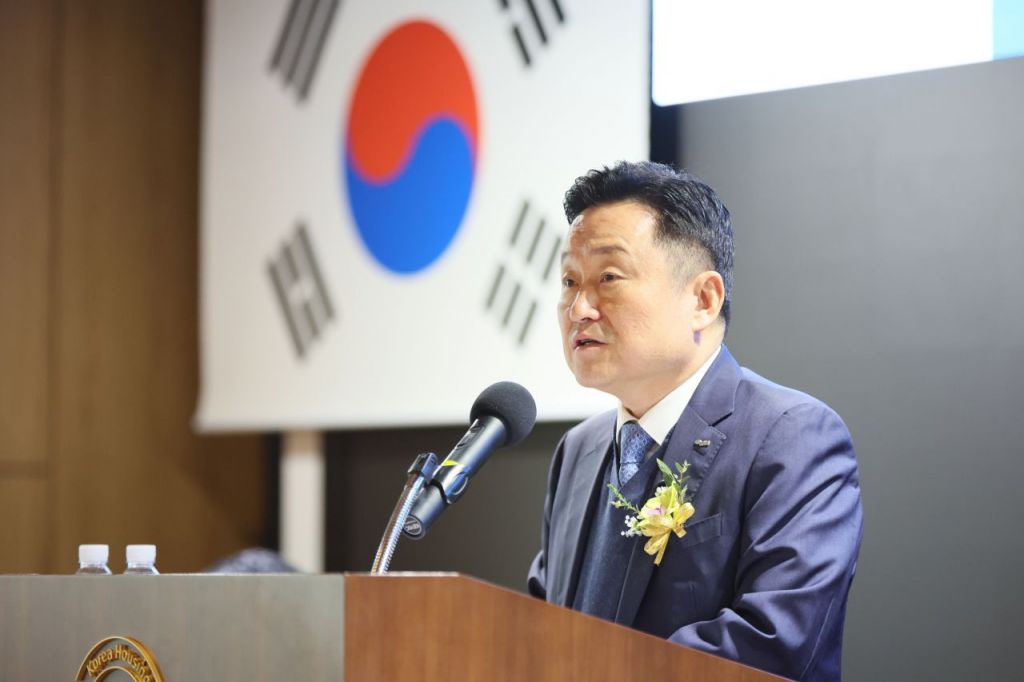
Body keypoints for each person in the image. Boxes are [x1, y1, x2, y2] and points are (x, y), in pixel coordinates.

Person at [528, 161, 863, 682]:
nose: (578, 308)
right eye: (570, 281)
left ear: (703, 300)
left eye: (608, 278)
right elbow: (534, 628)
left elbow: (772, 642)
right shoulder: (578, 450)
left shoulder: (790, 436)